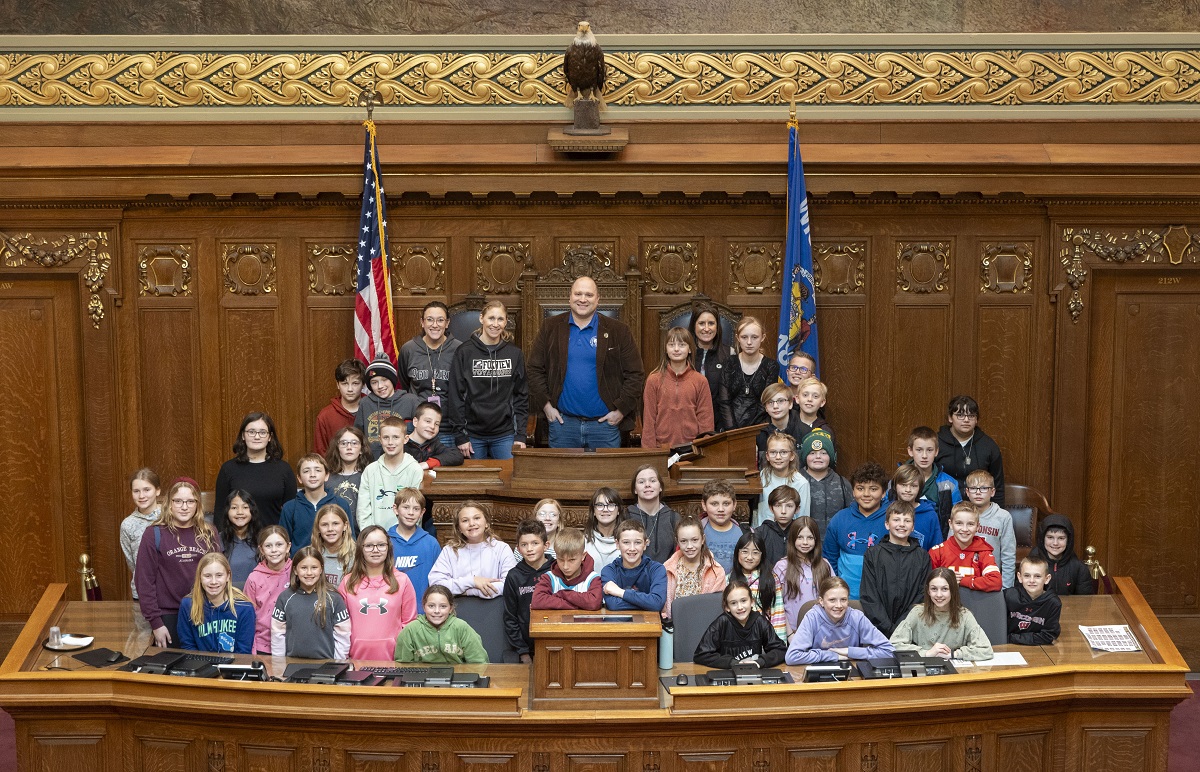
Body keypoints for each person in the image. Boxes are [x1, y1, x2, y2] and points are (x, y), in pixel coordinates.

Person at [527, 275, 645, 449]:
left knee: (605, 476)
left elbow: (636, 374)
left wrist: (620, 411)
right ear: (570, 297)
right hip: (562, 426)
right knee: (562, 477)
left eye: (589, 295)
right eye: (578, 294)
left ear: (598, 300)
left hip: (605, 427)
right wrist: (546, 406)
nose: (583, 299)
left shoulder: (618, 331)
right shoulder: (550, 327)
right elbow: (534, 369)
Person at [137, 478, 223, 648]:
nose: (184, 507)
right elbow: (144, 582)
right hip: (168, 616)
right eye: (178, 501)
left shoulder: (209, 532)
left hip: (204, 611)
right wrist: (156, 623)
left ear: (197, 504)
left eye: (190, 501)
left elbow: (219, 573)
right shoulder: (153, 534)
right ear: (169, 503)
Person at [448, 299, 529, 460]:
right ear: (481, 318)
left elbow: (522, 396)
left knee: (508, 480)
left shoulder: (514, 354)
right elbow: (455, 395)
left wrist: (520, 434)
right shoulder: (464, 352)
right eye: (491, 318)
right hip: (472, 434)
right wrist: (460, 436)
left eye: (500, 319)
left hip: (505, 434)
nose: (495, 324)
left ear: (506, 322)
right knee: (475, 482)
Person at [339, 526, 418, 660]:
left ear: (388, 547)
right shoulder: (348, 582)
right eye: (369, 545)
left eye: (381, 545)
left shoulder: (402, 580)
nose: (375, 550)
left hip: (394, 660)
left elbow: (409, 624)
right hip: (355, 660)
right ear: (361, 548)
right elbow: (341, 627)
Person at [859, 501, 932, 637]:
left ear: (913, 527)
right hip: (878, 630)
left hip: (911, 629)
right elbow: (869, 595)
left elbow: (923, 595)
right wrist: (887, 628)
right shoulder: (873, 554)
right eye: (896, 519)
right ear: (887, 524)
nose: (902, 524)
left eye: (907, 520)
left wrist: (902, 626)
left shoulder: (922, 557)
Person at [890, 567, 994, 661]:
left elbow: (986, 650)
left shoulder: (964, 615)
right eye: (934, 589)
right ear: (928, 591)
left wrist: (954, 654)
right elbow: (893, 645)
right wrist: (926, 653)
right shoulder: (917, 612)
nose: (939, 595)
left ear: (953, 591)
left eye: (944, 589)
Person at [785, 576, 894, 665]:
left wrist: (849, 651)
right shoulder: (812, 617)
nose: (838, 605)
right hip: (818, 673)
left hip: (851, 670)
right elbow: (792, 656)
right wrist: (832, 655)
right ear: (821, 601)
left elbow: (889, 651)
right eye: (832, 600)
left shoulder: (857, 617)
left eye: (843, 600)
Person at [214, 411, 297, 528]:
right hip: (238, 541)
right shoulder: (228, 469)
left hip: (273, 541)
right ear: (243, 435)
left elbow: (291, 512)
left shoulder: (283, 469)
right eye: (251, 432)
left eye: (262, 432)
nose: (257, 437)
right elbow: (220, 512)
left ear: (270, 437)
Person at [822, 461, 889, 600]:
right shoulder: (840, 519)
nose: (866, 494)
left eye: (873, 489)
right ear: (853, 491)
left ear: (883, 492)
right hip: (846, 599)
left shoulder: (892, 520)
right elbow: (829, 560)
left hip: (881, 599)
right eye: (860, 488)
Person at [270, 546, 351, 660]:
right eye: (303, 568)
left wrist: (338, 663)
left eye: (314, 567)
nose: (309, 573)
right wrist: (279, 663)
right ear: (295, 570)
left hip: (326, 666)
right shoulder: (285, 598)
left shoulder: (334, 599)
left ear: (321, 569)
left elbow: (343, 635)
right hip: (292, 665)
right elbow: (277, 635)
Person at [640, 326, 714, 449]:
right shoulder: (654, 380)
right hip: (661, 448)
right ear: (665, 349)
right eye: (671, 344)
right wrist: (649, 452)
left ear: (690, 349)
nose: (676, 349)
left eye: (681, 345)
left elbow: (706, 421)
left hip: (692, 449)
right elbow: (649, 419)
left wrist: (705, 451)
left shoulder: (700, 381)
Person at [428, 502, 516, 598]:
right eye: (465, 520)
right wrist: (472, 581)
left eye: (477, 518)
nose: (472, 524)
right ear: (459, 528)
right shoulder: (449, 551)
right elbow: (436, 584)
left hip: (494, 608)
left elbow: (510, 585)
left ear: (486, 523)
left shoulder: (502, 549)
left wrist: (467, 592)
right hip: (457, 608)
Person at [693, 581, 787, 669]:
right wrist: (731, 663)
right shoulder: (722, 623)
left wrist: (760, 662)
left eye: (743, 601)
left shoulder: (760, 622)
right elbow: (701, 654)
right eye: (733, 603)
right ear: (727, 607)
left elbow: (781, 650)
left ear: (752, 602)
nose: (740, 607)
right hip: (727, 676)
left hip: (753, 674)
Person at [176, 553, 255, 654]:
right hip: (200, 666)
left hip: (233, 667)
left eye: (219, 575)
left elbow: (243, 651)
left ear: (228, 576)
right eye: (207, 576)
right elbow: (188, 646)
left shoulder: (245, 608)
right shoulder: (188, 605)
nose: (213, 581)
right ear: (200, 577)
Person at [399, 301, 462, 424]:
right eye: (429, 320)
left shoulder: (460, 349)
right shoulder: (408, 349)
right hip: (418, 424)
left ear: (447, 323)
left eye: (440, 320)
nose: (435, 325)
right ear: (422, 322)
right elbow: (404, 384)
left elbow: (463, 388)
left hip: (449, 425)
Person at [937, 395, 1006, 508]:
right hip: (944, 508)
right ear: (950, 418)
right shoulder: (936, 443)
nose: (966, 420)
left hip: (980, 509)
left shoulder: (989, 446)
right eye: (960, 415)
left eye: (971, 416)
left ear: (977, 419)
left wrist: (997, 516)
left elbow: (997, 486)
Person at [357, 416, 424, 531]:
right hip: (375, 538)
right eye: (386, 437)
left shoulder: (415, 470)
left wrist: (403, 536)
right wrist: (371, 535)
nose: (390, 442)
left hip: (405, 536)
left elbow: (415, 510)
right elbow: (363, 510)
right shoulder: (370, 470)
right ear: (380, 439)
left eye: (396, 437)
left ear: (406, 439)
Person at [395, 585, 489, 664]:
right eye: (431, 606)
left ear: (451, 608)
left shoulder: (462, 628)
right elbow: (402, 666)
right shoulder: (410, 630)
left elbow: (479, 663)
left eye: (443, 606)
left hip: (457, 680)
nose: (437, 611)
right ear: (424, 607)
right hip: (422, 681)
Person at [503, 520, 553, 663]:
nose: (529, 549)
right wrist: (523, 652)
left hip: (554, 642)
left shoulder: (556, 570)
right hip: (526, 648)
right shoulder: (514, 576)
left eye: (535, 543)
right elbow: (510, 617)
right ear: (518, 549)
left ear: (546, 545)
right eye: (524, 545)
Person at [717, 316, 779, 431]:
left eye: (754, 337)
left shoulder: (771, 366)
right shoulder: (729, 363)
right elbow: (724, 402)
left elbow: (765, 403)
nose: (749, 342)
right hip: (729, 429)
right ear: (738, 338)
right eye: (744, 337)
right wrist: (734, 431)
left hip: (760, 429)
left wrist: (749, 433)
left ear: (762, 337)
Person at [355, 353, 422, 459]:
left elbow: (421, 432)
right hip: (372, 463)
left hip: (403, 461)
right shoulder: (365, 403)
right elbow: (358, 435)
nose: (380, 386)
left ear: (392, 379)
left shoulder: (410, 401)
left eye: (384, 380)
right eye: (374, 382)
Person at [772, 516, 832, 635]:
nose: (805, 542)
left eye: (810, 538)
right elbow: (777, 606)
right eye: (800, 537)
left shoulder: (825, 565)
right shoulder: (782, 566)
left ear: (816, 540)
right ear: (792, 539)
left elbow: (831, 600)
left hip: (821, 630)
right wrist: (789, 634)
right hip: (793, 631)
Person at [280, 454, 350, 554]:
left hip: (336, 564)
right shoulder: (290, 508)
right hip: (300, 565)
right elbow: (284, 542)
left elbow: (350, 538)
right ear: (299, 478)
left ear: (326, 475)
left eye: (318, 470)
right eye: (306, 471)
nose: (312, 474)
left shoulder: (341, 504)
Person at [662, 516, 727, 621]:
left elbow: (716, 607)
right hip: (673, 627)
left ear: (703, 539)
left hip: (705, 627)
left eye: (694, 540)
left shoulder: (716, 571)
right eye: (683, 541)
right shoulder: (667, 569)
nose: (689, 546)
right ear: (677, 542)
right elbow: (663, 605)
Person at [929, 502, 1002, 592]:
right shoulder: (937, 552)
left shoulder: (983, 552)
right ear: (950, 524)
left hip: (974, 604)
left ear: (978, 526)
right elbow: (927, 584)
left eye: (970, 524)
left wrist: (963, 580)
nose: (964, 529)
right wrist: (946, 580)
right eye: (959, 523)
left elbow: (995, 582)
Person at [243, 525, 293, 655]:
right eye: (268, 546)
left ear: (288, 547)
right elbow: (247, 616)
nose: (274, 550)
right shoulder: (254, 578)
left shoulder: (297, 572)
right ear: (261, 549)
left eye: (279, 545)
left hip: (292, 644)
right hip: (263, 645)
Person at [964, 470, 1016, 589]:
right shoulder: (960, 514)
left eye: (983, 488)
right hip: (965, 580)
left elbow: (1008, 556)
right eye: (973, 488)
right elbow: (951, 548)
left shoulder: (1003, 517)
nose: (978, 493)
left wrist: (1006, 589)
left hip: (992, 581)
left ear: (992, 492)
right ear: (967, 492)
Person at [387, 488, 441, 602]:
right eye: (406, 507)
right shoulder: (385, 542)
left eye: (416, 509)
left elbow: (438, 581)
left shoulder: (431, 543)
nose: (410, 513)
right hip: (391, 609)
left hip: (422, 611)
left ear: (422, 513)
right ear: (395, 509)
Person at [730, 531, 786, 640]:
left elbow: (778, 614)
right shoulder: (728, 580)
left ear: (762, 555)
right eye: (745, 552)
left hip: (765, 639)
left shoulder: (771, 579)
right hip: (737, 640)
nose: (749, 557)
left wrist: (779, 647)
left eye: (755, 552)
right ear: (737, 553)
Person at [601, 520, 667, 612]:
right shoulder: (609, 570)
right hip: (617, 624)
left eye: (638, 542)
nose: (632, 548)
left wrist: (621, 592)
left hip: (649, 625)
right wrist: (647, 603)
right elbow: (613, 605)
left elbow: (657, 603)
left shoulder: (656, 569)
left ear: (645, 544)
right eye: (626, 542)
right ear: (617, 544)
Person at [532, 527, 603, 611]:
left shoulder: (593, 579)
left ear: (583, 556)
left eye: (572, 560)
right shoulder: (548, 578)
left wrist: (562, 594)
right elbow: (537, 601)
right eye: (561, 559)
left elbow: (594, 603)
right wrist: (580, 605)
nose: (565, 566)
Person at [907, 425, 962, 531]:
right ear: (910, 451)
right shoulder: (898, 480)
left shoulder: (949, 484)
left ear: (936, 451)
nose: (924, 456)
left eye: (929, 450)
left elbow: (957, 518)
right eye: (919, 450)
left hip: (938, 539)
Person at [799, 429, 852, 534]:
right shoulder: (795, 481)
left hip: (834, 544)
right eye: (812, 453)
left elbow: (851, 514)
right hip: (803, 543)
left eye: (824, 453)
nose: (818, 457)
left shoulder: (842, 483)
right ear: (805, 456)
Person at [688, 303, 732, 430]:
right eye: (701, 323)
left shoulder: (730, 354)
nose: (706, 328)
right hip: (688, 424)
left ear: (717, 327)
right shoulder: (684, 354)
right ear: (694, 326)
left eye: (711, 323)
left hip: (719, 425)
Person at [1029, 514, 1095, 596]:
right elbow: (1023, 598)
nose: (1055, 543)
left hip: (1070, 608)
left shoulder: (1079, 568)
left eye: (1061, 538)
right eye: (1050, 537)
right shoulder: (1030, 565)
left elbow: (1085, 601)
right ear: (1042, 539)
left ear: (1068, 541)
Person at [120, 468, 161, 599]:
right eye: (136, 491)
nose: (141, 496)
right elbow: (132, 563)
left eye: (147, 490)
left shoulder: (171, 517)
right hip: (142, 593)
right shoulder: (128, 524)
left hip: (171, 591)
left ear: (158, 491)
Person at [626, 465, 680, 564]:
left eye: (653, 481)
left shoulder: (673, 518)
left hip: (667, 576)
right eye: (641, 482)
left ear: (660, 487)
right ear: (635, 489)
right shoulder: (626, 517)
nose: (647, 485)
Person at [313, 358, 367, 456]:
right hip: (336, 470)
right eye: (344, 383)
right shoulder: (325, 416)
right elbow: (321, 454)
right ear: (337, 384)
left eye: (355, 383)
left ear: (363, 384)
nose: (350, 389)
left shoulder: (373, 410)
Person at [756, 433, 811, 527]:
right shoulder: (760, 478)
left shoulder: (801, 483)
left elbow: (802, 518)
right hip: (763, 533)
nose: (778, 457)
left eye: (783, 452)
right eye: (773, 452)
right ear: (767, 456)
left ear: (792, 456)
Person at [884, 465, 944, 551]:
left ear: (920, 488)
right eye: (903, 485)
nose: (908, 490)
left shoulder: (930, 515)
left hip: (921, 562)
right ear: (894, 486)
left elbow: (936, 550)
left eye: (913, 486)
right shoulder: (886, 510)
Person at [1005, 555, 1061, 645]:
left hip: (1037, 649)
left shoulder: (1053, 603)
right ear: (1019, 577)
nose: (1032, 580)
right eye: (1027, 576)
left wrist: (1012, 638)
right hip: (1008, 646)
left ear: (1047, 579)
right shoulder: (1008, 596)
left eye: (1037, 576)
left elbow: (1048, 636)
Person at [324, 425, 371, 528]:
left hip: (361, 532)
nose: (349, 447)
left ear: (362, 449)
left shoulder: (368, 475)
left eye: (354, 443)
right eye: (344, 443)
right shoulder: (327, 477)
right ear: (337, 448)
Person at [700, 479, 747, 574]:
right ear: (704, 505)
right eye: (714, 504)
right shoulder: (697, 531)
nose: (720, 509)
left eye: (726, 504)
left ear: (734, 505)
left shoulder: (745, 533)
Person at [219, 490, 264, 589]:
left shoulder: (263, 539)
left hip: (257, 595)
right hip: (226, 595)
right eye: (234, 508)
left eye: (245, 507)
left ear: (252, 510)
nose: (240, 512)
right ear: (227, 511)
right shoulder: (218, 540)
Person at [755, 383, 808, 462]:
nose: (775, 406)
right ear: (765, 408)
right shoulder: (758, 433)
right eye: (770, 402)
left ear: (790, 404)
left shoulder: (805, 431)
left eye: (780, 401)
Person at [405, 401, 464, 470]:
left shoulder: (434, 444)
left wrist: (428, 464)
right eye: (428, 421)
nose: (432, 426)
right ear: (415, 422)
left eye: (437, 424)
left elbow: (456, 455)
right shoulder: (402, 443)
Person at [312, 503, 355, 589]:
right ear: (318, 528)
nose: (330, 529)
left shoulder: (357, 555)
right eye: (324, 525)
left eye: (335, 523)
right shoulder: (310, 554)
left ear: (345, 526)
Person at [756, 484, 799, 570]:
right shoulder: (761, 532)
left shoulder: (800, 532)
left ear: (797, 509)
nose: (783, 511)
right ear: (771, 508)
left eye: (789, 506)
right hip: (767, 580)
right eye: (778, 505)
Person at [583, 487, 623, 569]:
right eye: (600, 505)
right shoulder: (582, 541)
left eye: (611, 505)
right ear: (593, 511)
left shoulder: (627, 542)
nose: (605, 509)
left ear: (618, 510)